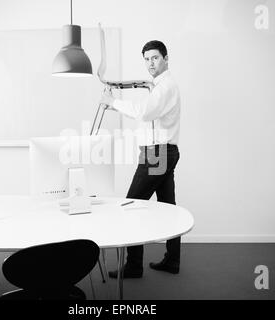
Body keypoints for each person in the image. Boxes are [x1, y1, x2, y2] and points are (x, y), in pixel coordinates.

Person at [100, 40, 182, 278]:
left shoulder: (165, 87)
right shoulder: (159, 87)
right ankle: (172, 260)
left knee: (132, 207)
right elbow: (148, 113)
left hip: (157, 154)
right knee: (168, 208)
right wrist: (115, 105)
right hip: (161, 152)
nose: (150, 63)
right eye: (146, 59)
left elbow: (145, 111)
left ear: (166, 58)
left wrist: (112, 101)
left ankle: (134, 266)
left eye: (155, 58)